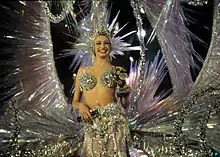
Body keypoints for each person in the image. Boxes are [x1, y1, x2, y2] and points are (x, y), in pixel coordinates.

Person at [72, 30, 131, 157]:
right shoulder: (82, 71)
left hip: (114, 122)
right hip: (91, 122)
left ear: (111, 46)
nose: (102, 47)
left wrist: (125, 95)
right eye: (98, 43)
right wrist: (81, 106)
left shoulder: (117, 71)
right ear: (93, 47)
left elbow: (124, 105)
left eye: (106, 43)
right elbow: (75, 101)